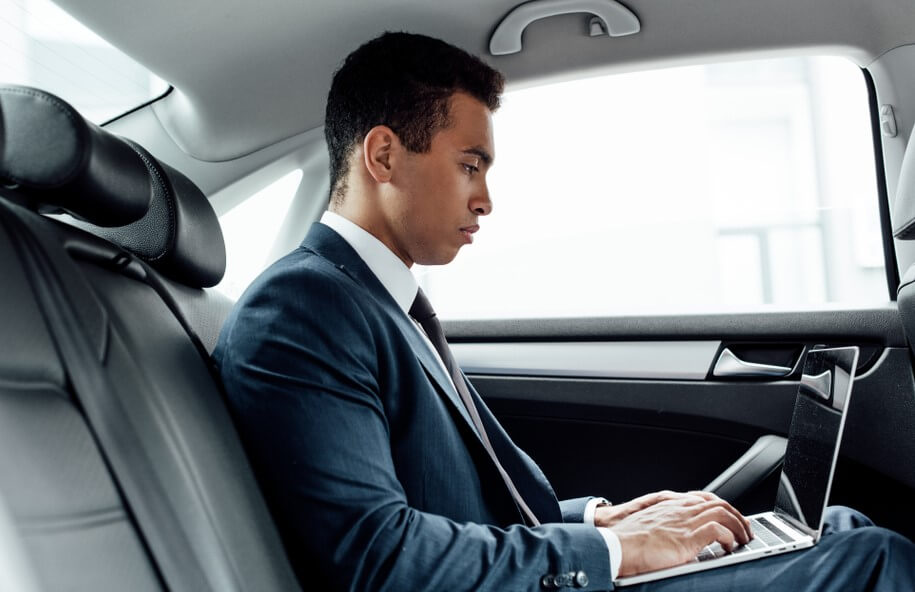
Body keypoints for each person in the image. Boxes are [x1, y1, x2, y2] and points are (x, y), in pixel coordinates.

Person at [213, 31, 915, 591]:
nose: (485, 198)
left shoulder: (383, 301)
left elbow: (464, 504)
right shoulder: (301, 307)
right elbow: (381, 559)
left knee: (840, 530)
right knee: (871, 561)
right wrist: (612, 551)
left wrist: (605, 519)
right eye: (469, 165)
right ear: (384, 155)